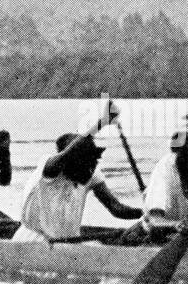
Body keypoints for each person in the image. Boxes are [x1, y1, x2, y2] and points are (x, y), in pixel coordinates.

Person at [13, 103, 141, 243]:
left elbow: (116, 208)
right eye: (86, 165)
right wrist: (102, 123)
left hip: (69, 243)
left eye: (94, 164)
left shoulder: (91, 172)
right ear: (70, 163)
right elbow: (68, 153)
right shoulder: (49, 169)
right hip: (34, 240)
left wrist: (145, 213)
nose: (91, 171)